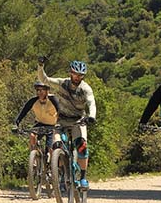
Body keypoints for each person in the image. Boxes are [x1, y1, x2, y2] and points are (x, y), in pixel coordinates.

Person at [37, 56, 97, 188]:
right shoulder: (62, 83)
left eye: (80, 75)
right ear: (70, 72)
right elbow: (44, 80)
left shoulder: (85, 88)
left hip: (78, 120)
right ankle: (62, 172)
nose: (77, 77)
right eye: (75, 74)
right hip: (61, 119)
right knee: (56, 146)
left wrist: (91, 116)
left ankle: (82, 178)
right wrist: (40, 66)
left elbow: (91, 102)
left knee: (82, 147)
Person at [12, 81, 62, 153]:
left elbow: (60, 110)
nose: (39, 92)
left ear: (47, 91)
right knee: (32, 135)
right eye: (38, 90)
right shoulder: (33, 101)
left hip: (52, 125)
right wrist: (16, 124)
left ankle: (52, 160)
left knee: (50, 148)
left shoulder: (53, 99)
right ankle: (35, 158)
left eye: (42, 90)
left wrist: (60, 122)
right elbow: (23, 112)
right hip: (40, 123)